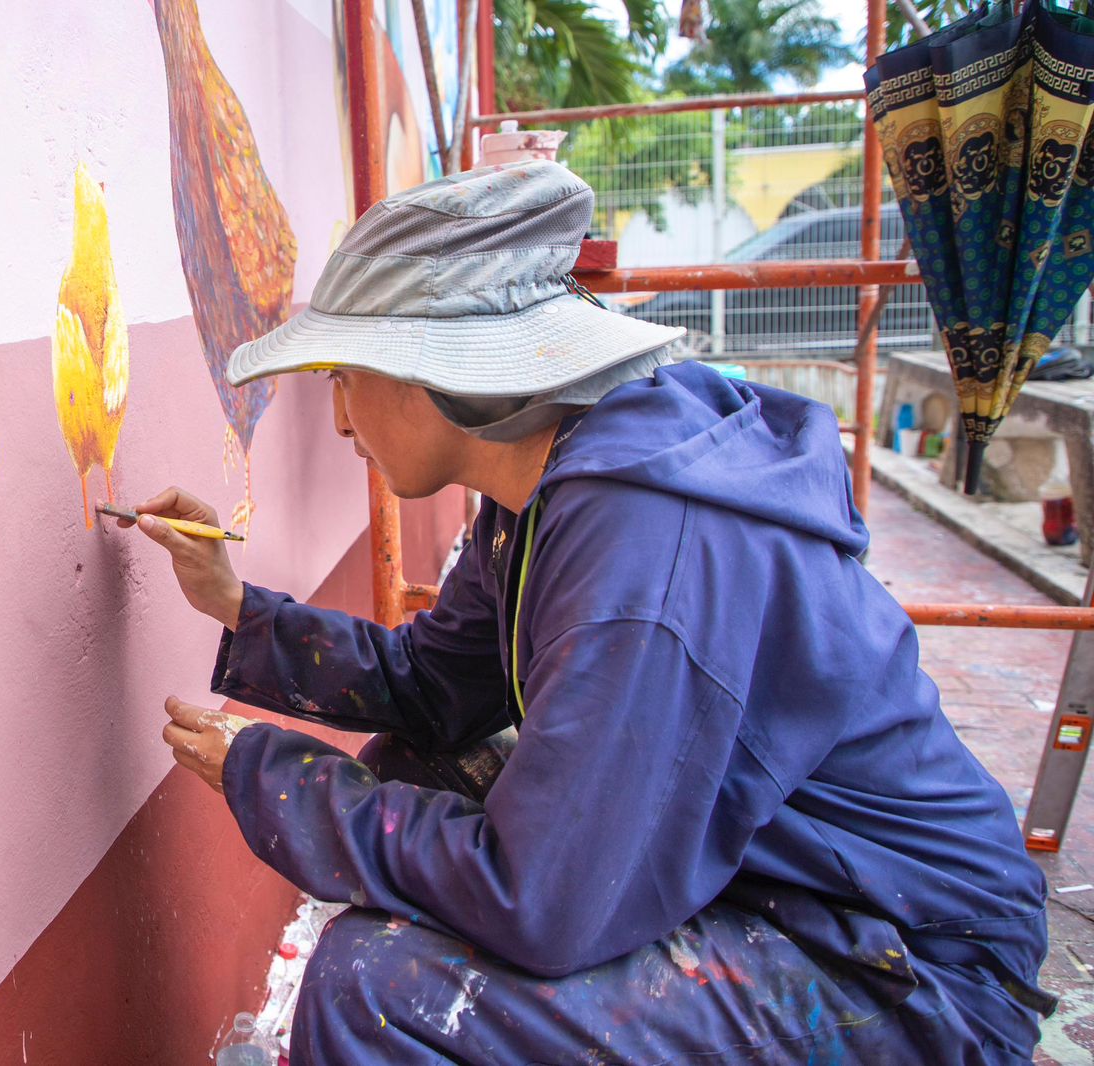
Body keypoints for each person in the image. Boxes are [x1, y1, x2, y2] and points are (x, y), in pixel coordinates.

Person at [126, 162, 1053, 1063]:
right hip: (786, 884)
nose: (338, 423)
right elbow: (432, 685)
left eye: (344, 377)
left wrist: (275, 777)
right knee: (419, 765)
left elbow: (544, 898)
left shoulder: (642, 551)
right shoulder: (543, 489)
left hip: (900, 965)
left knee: (371, 990)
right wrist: (239, 605)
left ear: (434, 372)